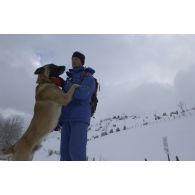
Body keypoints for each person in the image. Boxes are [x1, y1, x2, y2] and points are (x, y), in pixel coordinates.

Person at [57, 51, 96, 161]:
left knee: (76, 153)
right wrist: (58, 120)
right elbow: (63, 99)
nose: (73, 61)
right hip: (65, 120)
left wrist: (64, 85)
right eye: (72, 59)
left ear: (82, 62)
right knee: (64, 155)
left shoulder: (88, 77)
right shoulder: (69, 79)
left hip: (79, 118)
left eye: (76, 59)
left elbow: (82, 94)